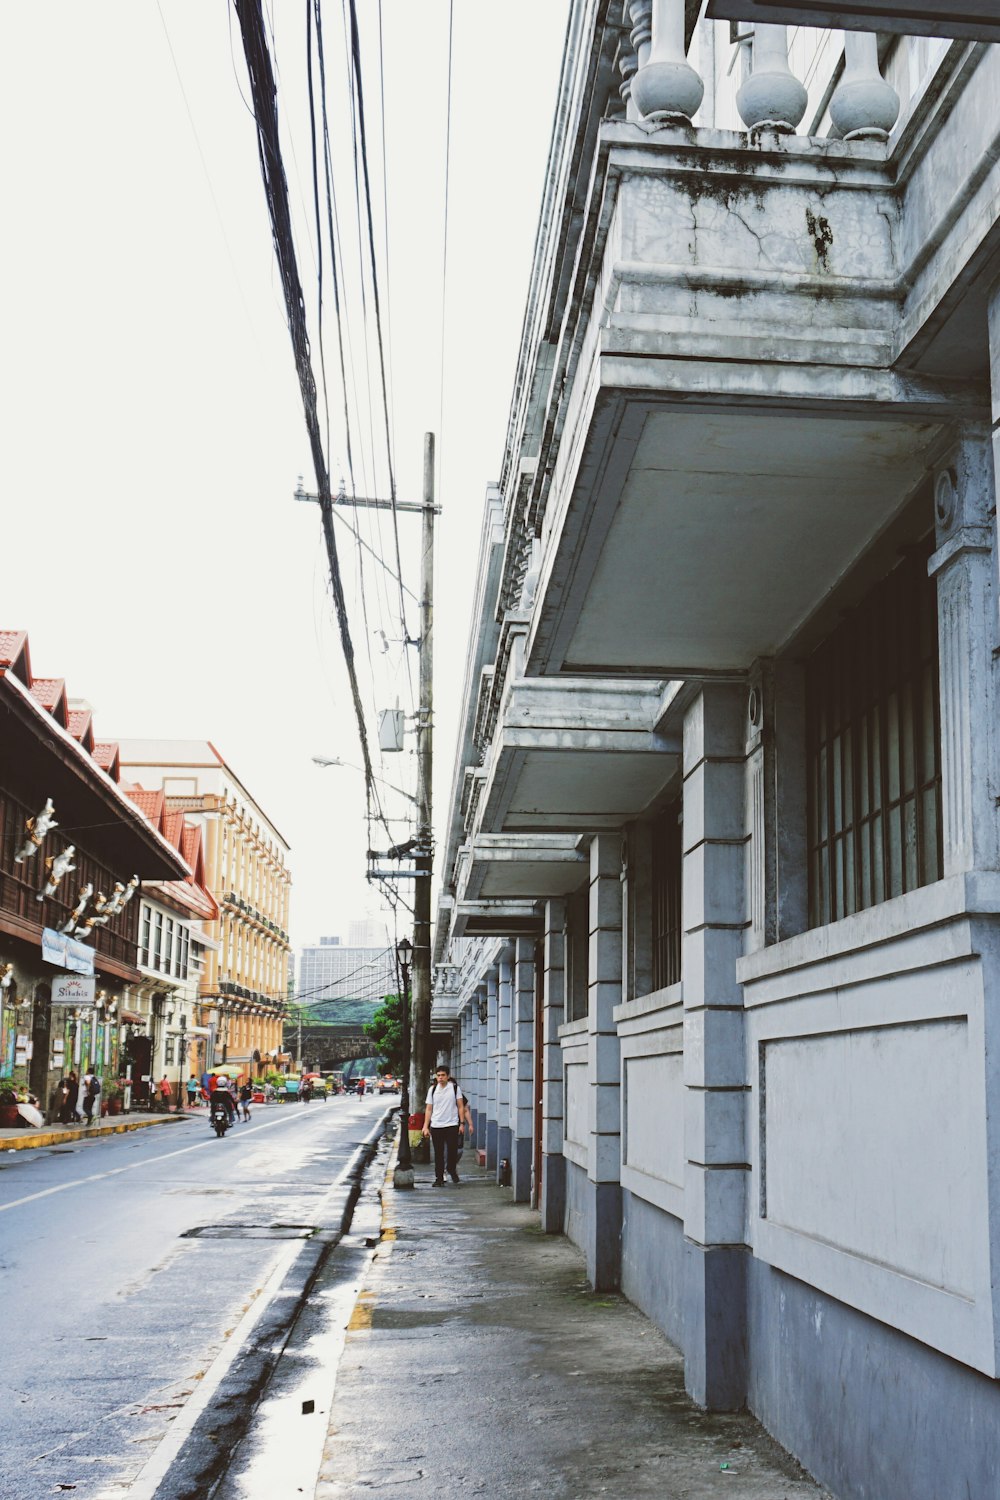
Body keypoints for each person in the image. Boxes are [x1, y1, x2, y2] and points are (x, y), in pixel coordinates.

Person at [422, 1066, 468, 1186]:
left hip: (452, 1125)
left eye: (443, 1075)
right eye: (438, 1075)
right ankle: (439, 1178)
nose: (440, 1078)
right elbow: (428, 1109)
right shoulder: (432, 1090)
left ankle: (451, 1169)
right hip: (436, 1125)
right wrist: (425, 1126)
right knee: (438, 1153)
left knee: (452, 1152)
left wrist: (462, 1123)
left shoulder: (454, 1088)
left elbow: (460, 1106)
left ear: (447, 1076)